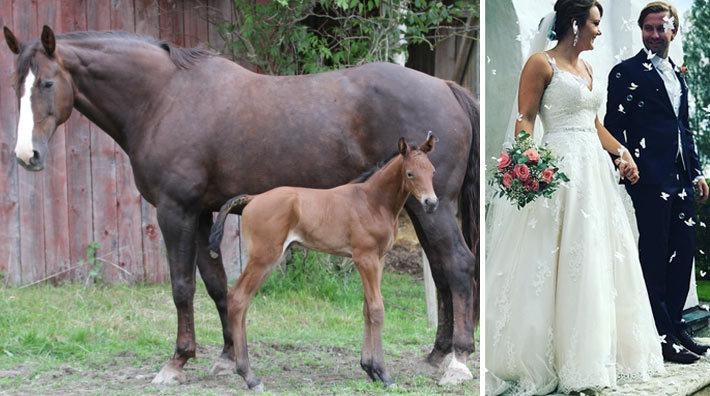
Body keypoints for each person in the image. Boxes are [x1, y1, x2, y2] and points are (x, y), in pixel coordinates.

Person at [485, 0, 665, 394]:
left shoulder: (587, 69)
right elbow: (525, 119)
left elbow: (594, 123)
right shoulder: (540, 64)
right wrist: (527, 162)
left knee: (596, 258)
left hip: (593, 176)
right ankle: (549, 359)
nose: (599, 31)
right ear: (575, 22)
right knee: (557, 257)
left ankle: (591, 358)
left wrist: (621, 152)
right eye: (595, 23)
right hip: (560, 169)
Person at [604, 1, 710, 365]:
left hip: (681, 178)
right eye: (646, 28)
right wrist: (627, 166)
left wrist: (696, 171)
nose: (652, 35)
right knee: (655, 255)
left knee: (682, 255)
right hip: (649, 180)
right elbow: (613, 126)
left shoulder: (678, 75)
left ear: (672, 31)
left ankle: (677, 327)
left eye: (658, 28)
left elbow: (684, 129)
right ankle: (661, 337)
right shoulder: (624, 72)